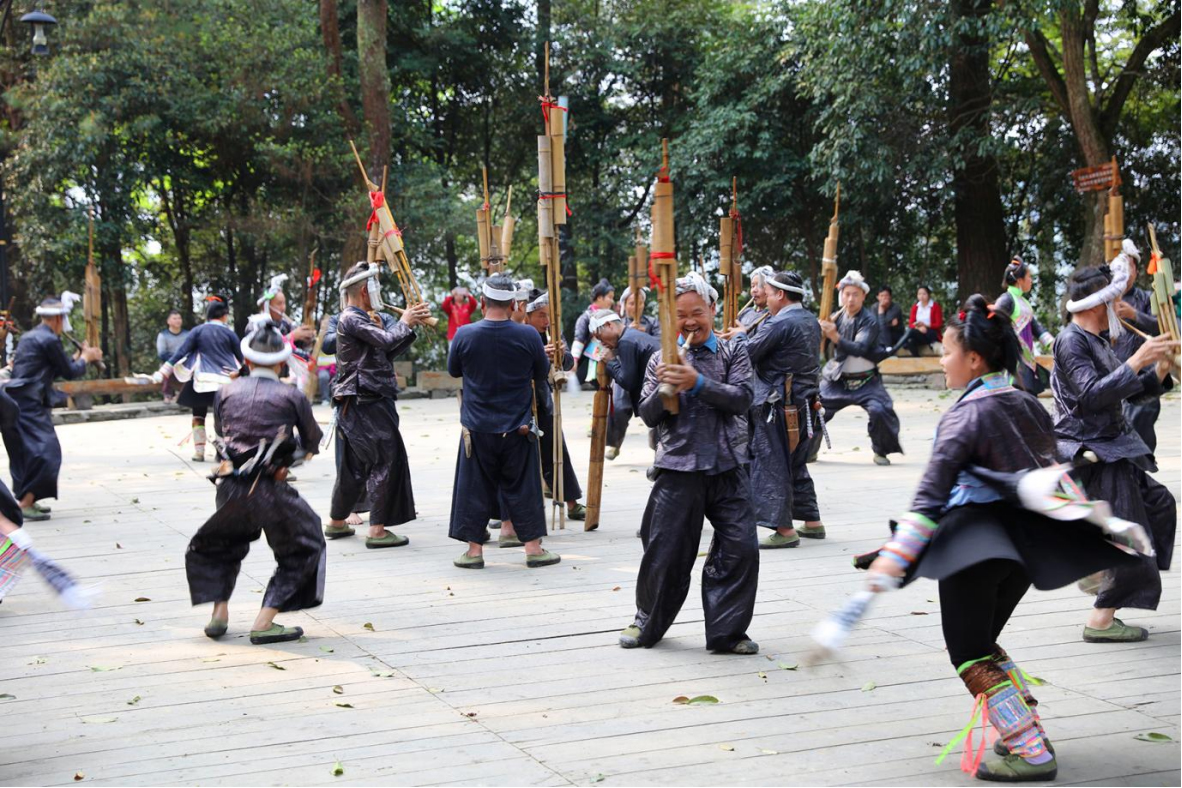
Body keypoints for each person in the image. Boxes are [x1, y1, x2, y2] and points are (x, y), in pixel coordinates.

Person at [862, 295, 1144, 782]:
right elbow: (1054, 472)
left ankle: (1030, 749)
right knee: (982, 640)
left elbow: (930, 499)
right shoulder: (1023, 399)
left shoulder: (963, 416)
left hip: (974, 548)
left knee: (968, 650)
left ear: (973, 358)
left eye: (947, 352)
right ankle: (1026, 723)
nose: (941, 360)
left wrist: (897, 557)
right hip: (1020, 548)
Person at [619, 272, 759, 654]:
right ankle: (646, 622)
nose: (690, 322)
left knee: (740, 548)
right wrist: (666, 386)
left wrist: (697, 382)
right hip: (678, 469)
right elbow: (648, 416)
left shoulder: (734, 352)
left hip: (729, 466)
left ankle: (728, 633)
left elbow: (742, 399)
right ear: (669, 319)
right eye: (681, 315)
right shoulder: (659, 358)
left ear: (712, 309)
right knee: (664, 553)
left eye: (697, 312)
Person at [1054, 265, 1177, 642]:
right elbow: (1091, 395)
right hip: (1092, 448)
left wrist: (1158, 370)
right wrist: (1138, 359)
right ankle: (1101, 618)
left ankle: (1099, 570)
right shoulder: (1071, 340)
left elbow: (1125, 391)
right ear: (1099, 303)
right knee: (1132, 533)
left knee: (1159, 505)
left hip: (1115, 445)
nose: (1119, 305)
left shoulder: (1098, 340)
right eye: (1114, 299)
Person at [185, 319, 325, 645]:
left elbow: (221, 433)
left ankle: (219, 613)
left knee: (224, 544)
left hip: (230, 486)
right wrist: (289, 459)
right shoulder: (291, 396)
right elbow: (312, 442)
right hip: (270, 489)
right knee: (307, 544)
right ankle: (264, 621)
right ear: (280, 361)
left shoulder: (225, 392)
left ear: (246, 361)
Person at [447, 273, 560, 569]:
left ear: (483, 301)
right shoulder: (528, 336)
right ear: (513, 304)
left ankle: (474, 552)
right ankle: (533, 549)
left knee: (474, 487)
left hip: (477, 426)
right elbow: (540, 373)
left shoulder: (464, 334)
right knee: (524, 485)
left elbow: (454, 370)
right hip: (518, 424)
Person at [322, 262, 430, 548]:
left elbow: (384, 351)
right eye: (374, 286)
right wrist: (405, 321)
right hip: (365, 402)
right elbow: (384, 341)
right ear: (363, 290)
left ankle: (336, 522)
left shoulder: (358, 318)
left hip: (361, 401)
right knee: (385, 459)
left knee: (354, 467)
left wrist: (409, 325)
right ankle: (378, 530)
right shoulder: (352, 318)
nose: (377, 292)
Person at [740, 271, 826, 549]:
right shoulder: (811, 320)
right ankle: (812, 521)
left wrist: (740, 336)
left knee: (771, 462)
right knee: (795, 461)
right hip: (806, 403)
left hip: (778, 404)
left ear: (780, 294)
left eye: (767, 290)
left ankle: (785, 530)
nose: (763, 294)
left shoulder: (779, 324)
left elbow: (747, 354)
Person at [2, 295, 103, 521]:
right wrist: (87, 358)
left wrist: (80, 356)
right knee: (47, 452)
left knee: (28, 451)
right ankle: (25, 502)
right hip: (30, 401)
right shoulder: (49, 340)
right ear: (58, 318)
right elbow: (70, 372)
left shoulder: (31, 336)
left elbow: (56, 368)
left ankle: (29, 499)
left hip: (18, 399)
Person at [818, 270, 903, 465]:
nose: (850, 299)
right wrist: (820, 331)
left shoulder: (869, 320)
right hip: (838, 379)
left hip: (867, 380)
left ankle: (881, 451)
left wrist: (834, 337)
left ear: (863, 296)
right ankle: (808, 450)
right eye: (847, 294)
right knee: (816, 408)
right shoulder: (836, 317)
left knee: (880, 410)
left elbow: (860, 348)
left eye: (855, 294)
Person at [524, 288, 587, 522]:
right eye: (541, 315)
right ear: (527, 314)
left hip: (543, 396)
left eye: (548, 315)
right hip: (519, 400)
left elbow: (569, 362)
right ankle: (506, 512)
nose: (546, 320)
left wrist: (561, 355)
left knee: (555, 448)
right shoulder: (517, 330)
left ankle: (571, 502)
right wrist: (540, 354)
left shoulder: (552, 329)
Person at [155, 296, 243, 462]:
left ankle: (199, 451)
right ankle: (222, 452)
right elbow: (241, 358)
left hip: (202, 381)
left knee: (198, 414)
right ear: (224, 316)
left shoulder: (198, 331)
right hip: (225, 383)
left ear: (207, 316)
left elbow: (181, 352)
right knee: (222, 417)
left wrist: (163, 371)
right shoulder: (229, 333)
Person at [1111, 244, 1173, 453]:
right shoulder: (1105, 300)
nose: (1124, 274)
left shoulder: (1147, 298)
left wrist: (1134, 315)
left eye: (1128, 268)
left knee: (1141, 440)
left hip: (1144, 379)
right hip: (1113, 380)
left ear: (1136, 271)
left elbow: (1166, 328)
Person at [592, 308, 660, 461]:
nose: (601, 342)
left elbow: (627, 381)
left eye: (599, 336)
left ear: (609, 325)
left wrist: (611, 361)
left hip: (659, 395)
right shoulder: (631, 336)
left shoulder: (626, 342)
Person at [995, 257, 1055, 395]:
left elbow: (1034, 326)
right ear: (1019, 280)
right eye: (1029, 277)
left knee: (1028, 394)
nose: (1031, 281)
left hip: (1027, 359)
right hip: (1014, 359)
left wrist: (1052, 343)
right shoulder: (1006, 299)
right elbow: (995, 323)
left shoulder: (1023, 302)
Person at [572, 278, 615, 384]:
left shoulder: (613, 317)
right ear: (600, 297)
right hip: (589, 363)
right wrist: (574, 360)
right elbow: (579, 339)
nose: (612, 301)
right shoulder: (586, 317)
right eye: (609, 297)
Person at [721, 265, 772, 341]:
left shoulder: (772, 316)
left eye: (759, 286)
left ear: (769, 290)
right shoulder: (746, 311)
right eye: (752, 286)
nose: (754, 290)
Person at [156, 310, 189, 404]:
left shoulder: (187, 334)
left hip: (185, 362)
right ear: (168, 321)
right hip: (169, 362)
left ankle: (183, 394)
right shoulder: (163, 335)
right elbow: (162, 353)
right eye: (174, 318)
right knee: (165, 369)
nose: (177, 320)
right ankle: (168, 395)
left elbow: (191, 349)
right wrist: (174, 361)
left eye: (179, 318)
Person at [905, 285, 943, 357]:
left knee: (910, 331)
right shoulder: (915, 307)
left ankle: (901, 344)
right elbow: (911, 324)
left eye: (924, 294)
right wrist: (919, 328)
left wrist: (925, 325)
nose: (921, 296)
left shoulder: (935, 307)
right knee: (910, 341)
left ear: (928, 295)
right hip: (919, 333)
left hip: (931, 333)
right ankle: (917, 359)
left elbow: (938, 324)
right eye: (919, 294)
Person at [874, 286, 905, 357]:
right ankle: (886, 347)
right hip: (880, 335)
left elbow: (883, 323)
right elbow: (874, 323)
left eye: (886, 295)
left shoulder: (896, 307)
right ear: (878, 297)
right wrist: (889, 324)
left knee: (884, 327)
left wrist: (881, 310)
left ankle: (888, 347)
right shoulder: (874, 307)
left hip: (895, 335)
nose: (884, 298)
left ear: (890, 297)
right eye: (881, 296)